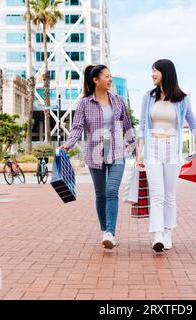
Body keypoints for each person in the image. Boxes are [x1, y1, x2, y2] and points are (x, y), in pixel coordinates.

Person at [136, 59, 196, 253]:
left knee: (169, 194)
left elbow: (195, 125)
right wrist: (140, 152)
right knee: (156, 194)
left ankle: (167, 232)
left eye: (155, 71)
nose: (152, 75)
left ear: (166, 73)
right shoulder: (148, 97)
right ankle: (157, 235)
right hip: (153, 148)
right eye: (152, 71)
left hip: (172, 148)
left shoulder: (182, 99)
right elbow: (141, 126)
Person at [61, 64, 137, 249]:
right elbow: (77, 128)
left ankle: (110, 232)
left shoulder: (118, 100)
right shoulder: (85, 103)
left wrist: (137, 152)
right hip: (95, 152)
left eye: (111, 76)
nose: (110, 80)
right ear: (96, 80)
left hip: (117, 150)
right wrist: (68, 144)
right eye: (107, 77)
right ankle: (105, 230)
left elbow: (127, 126)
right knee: (101, 194)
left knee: (112, 191)